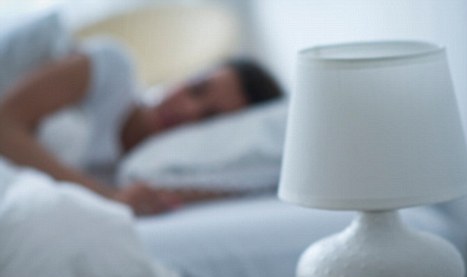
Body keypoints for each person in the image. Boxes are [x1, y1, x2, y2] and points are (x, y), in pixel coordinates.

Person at [0, 40, 283, 216]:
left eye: (209, 120)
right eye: (196, 88)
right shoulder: (111, 70)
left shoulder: (154, 174)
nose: (187, 110)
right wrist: (108, 198)